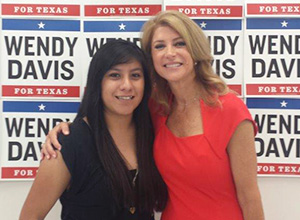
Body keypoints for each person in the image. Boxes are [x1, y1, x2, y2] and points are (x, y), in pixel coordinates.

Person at [41, 11, 264, 220]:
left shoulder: (230, 109)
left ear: (195, 50)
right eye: (159, 46)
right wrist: (65, 130)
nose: (170, 53)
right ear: (152, 59)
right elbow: (109, 111)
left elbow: (249, 197)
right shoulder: (155, 107)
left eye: (180, 43)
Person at [19, 39, 168, 220]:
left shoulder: (152, 133)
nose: (127, 85)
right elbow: (30, 216)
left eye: (135, 75)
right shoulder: (69, 143)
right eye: (115, 75)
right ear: (98, 82)